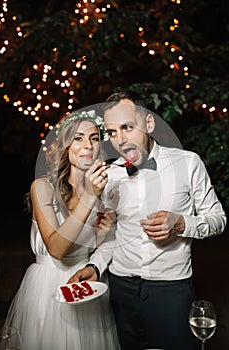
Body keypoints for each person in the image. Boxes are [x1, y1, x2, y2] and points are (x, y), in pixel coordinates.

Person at [68, 90, 227, 350]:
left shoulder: (188, 164)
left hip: (171, 289)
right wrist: (96, 266)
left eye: (127, 127)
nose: (120, 140)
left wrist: (183, 223)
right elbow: (113, 233)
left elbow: (218, 219)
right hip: (121, 289)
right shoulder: (112, 175)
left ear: (149, 123)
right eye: (112, 132)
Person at [3, 109, 121, 350]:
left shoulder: (106, 191)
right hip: (47, 287)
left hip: (86, 287)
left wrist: (100, 241)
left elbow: (109, 243)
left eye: (94, 138)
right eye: (78, 138)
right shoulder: (42, 187)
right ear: (65, 145)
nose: (87, 145)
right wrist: (89, 197)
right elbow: (56, 248)